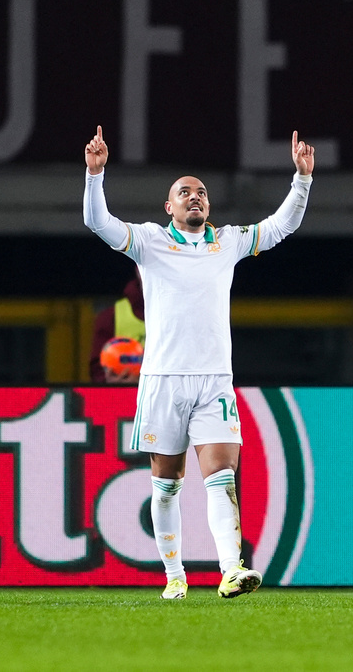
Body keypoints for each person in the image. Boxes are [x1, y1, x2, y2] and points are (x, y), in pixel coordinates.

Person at [82, 125, 315, 599]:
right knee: (166, 485)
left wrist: (302, 181)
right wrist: (94, 175)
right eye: (184, 192)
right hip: (163, 380)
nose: (195, 196)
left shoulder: (226, 241)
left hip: (214, 382)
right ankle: (173, 574)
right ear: (168, 206)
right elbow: (99, 224)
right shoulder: (148, 241)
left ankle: (231, 569)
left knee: (222, 475)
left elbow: (279, 227)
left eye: (201, 192)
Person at [89, 270, 145, 383]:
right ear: (138, 270)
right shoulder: (110, 317)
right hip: (125, 398)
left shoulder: (187, 314)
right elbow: (97, 371)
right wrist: (112, 384)